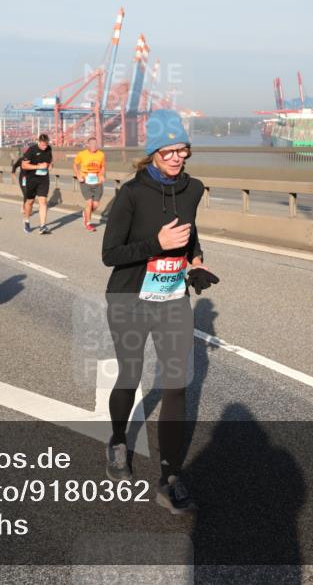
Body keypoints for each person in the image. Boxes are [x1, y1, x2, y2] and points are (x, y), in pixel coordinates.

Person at [101, 109, 220, 514]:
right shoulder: (131, 194)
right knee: (131, 375)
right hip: (129, 298)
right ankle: (119, 441)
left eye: (181, 149)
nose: (175, 157)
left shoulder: (193, 188)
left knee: (176, 385)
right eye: (167, 150)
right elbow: (110, 254)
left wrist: (196, 262)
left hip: (171, 299)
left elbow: (189, 232)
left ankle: (169, 478)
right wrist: (157, 243)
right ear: (152, 152)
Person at [21, 134, 53, 234]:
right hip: (32, 179)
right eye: (43, 145)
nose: (44, 147)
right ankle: (26, 221)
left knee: (43, 201)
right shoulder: (32, 150)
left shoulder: (49, 149)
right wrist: (38, 167)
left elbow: (50, 160)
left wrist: (50, 165)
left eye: (46, 145)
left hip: (43, 179)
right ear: (38, 142)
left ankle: (42, 226)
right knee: (30, 202)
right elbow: (24, 165)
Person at [74, 136, 106, 232]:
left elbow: (103, 167)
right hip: (85, 181)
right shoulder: (82, 154)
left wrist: (101, 175)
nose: (94, 146)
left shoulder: (101, 154)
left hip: (97, 181)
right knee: (89, 203)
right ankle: (88, 223)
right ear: (88, 145)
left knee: (95, 205)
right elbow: (75, 165)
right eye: (91, 144)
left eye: (95, 144)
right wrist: (78, 175)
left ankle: (86, 214)